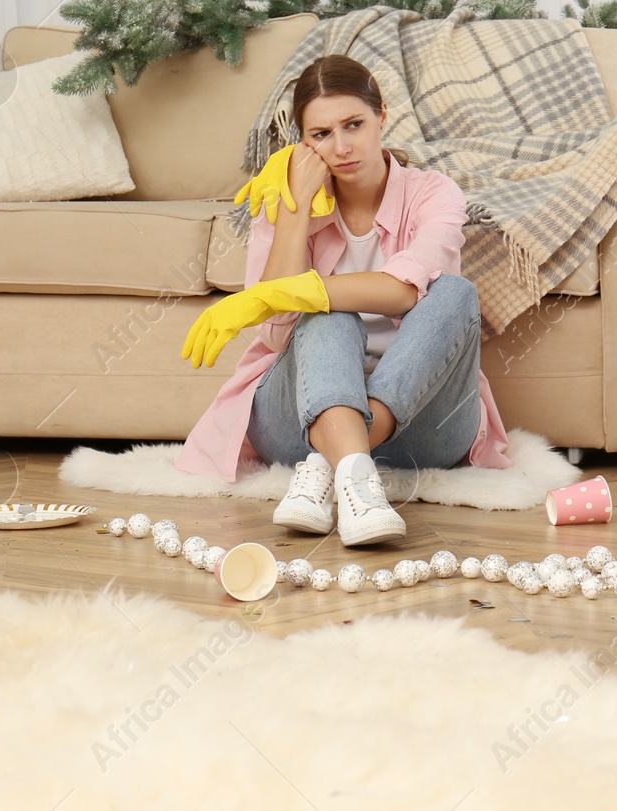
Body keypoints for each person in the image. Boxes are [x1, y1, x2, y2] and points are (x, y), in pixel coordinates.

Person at [175, 54, 510, 546]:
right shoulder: (285, 196)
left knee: (455, 292)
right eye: (321, 134)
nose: (342, 146)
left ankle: (331, 465)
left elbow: (401, 291)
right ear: (303, 143)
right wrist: (294, 207)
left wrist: (289, 291)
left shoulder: (434, 194)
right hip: (299, 419)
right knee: (325, 317)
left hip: (425, 424)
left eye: (354, 124)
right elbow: (277, 328)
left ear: (382, 117)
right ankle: (357, 482)